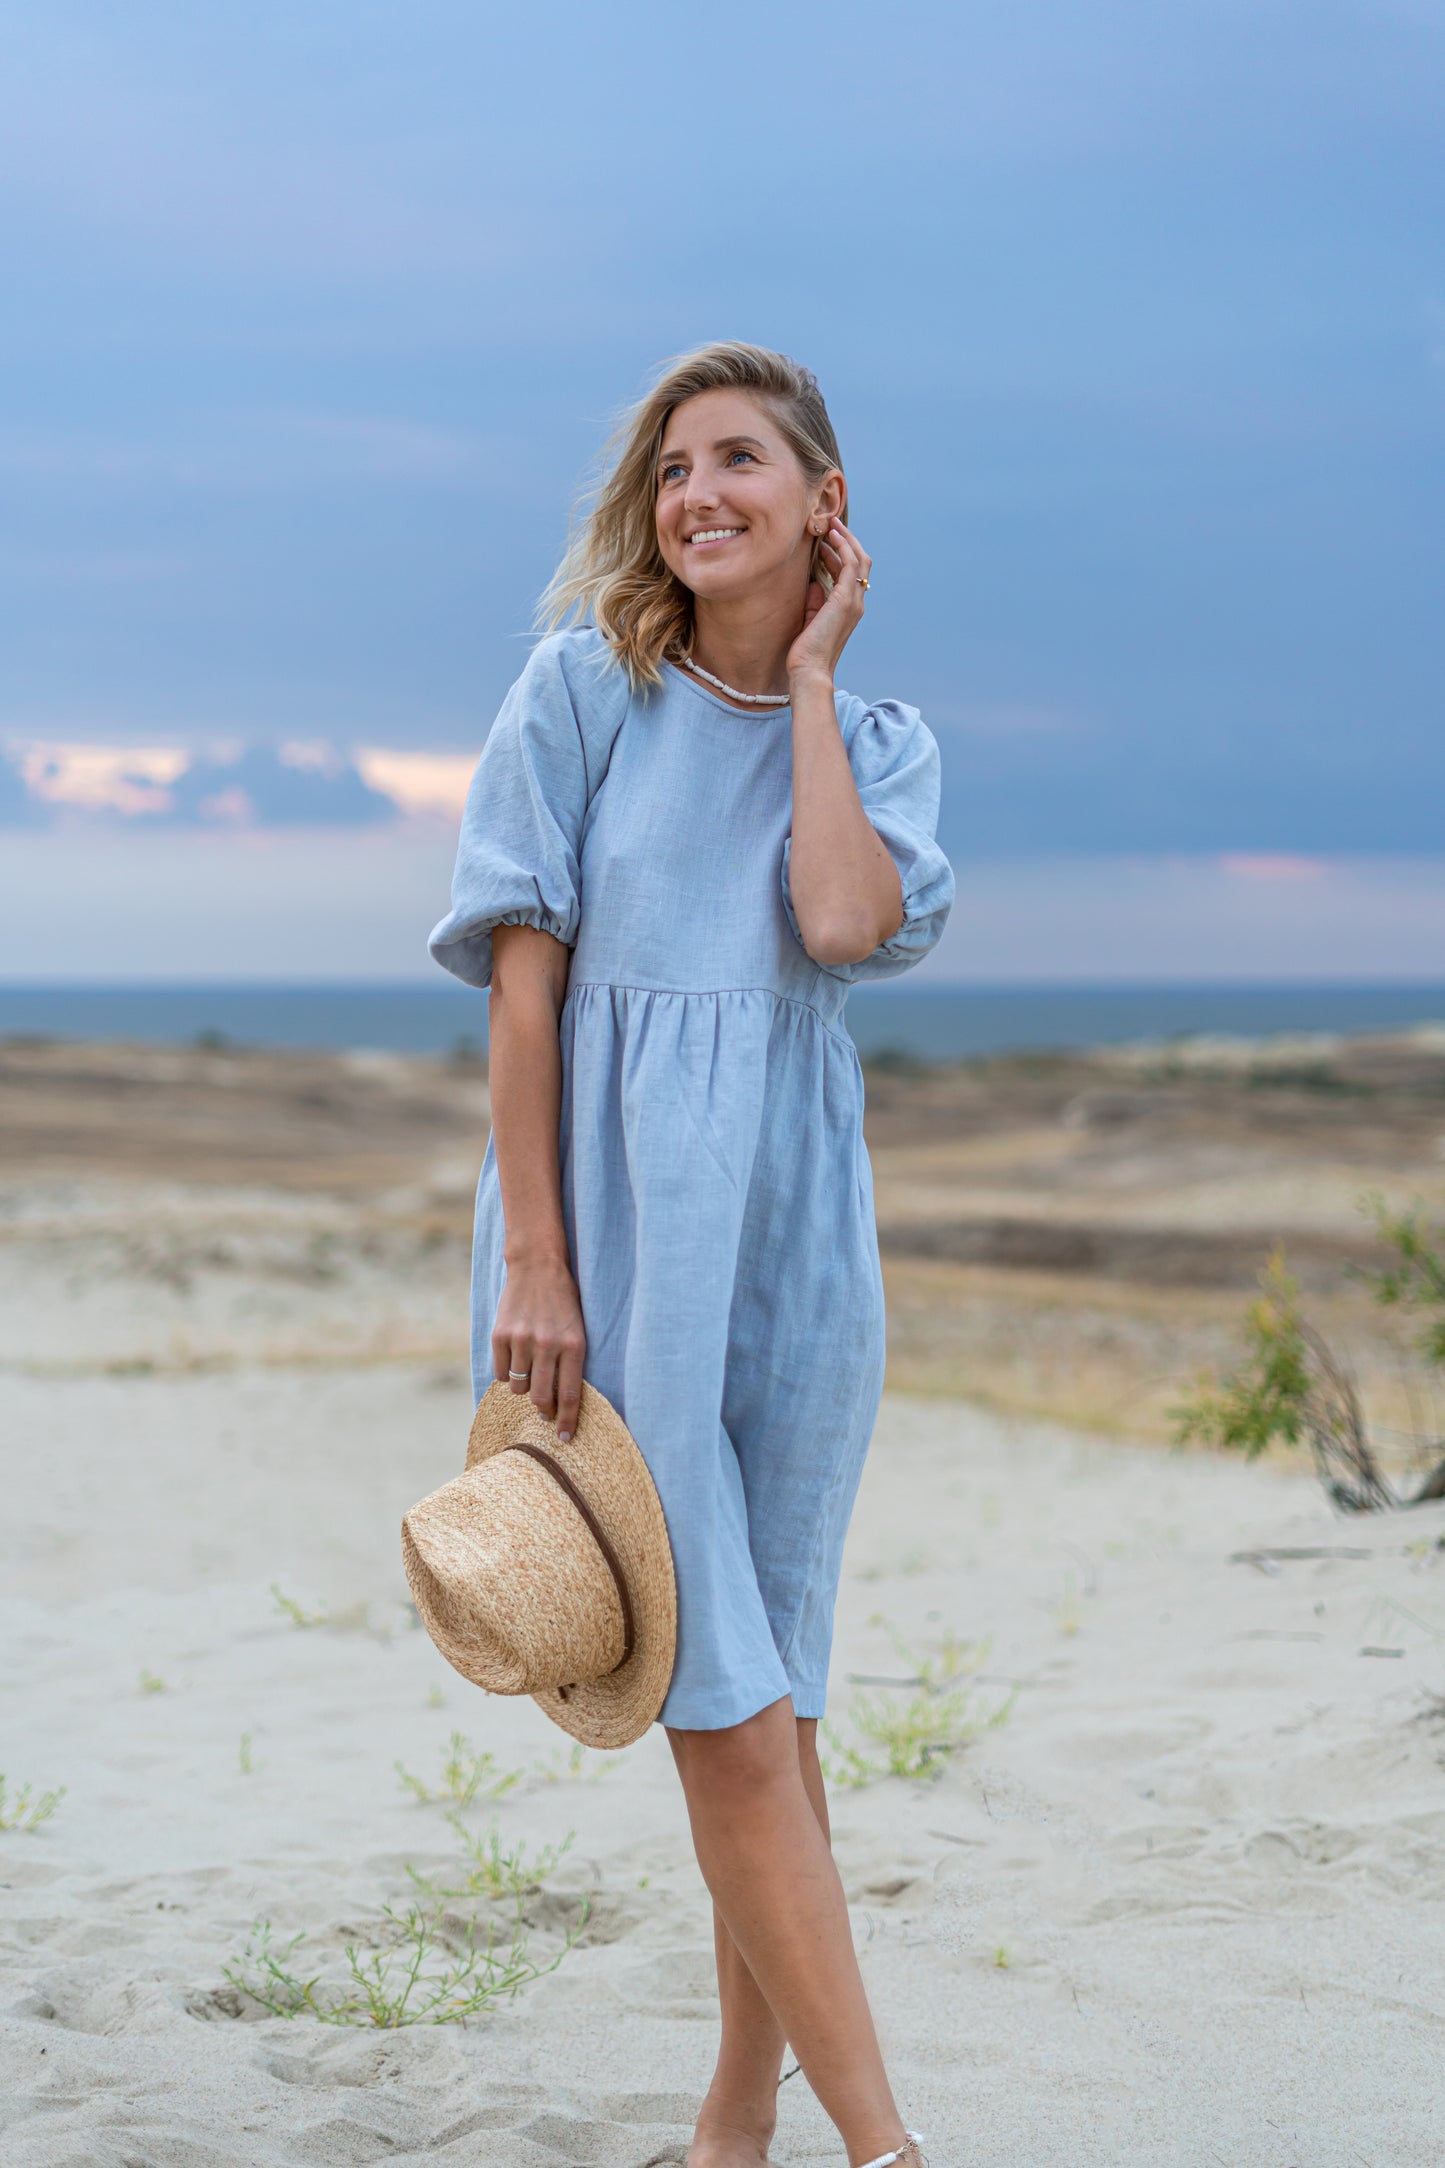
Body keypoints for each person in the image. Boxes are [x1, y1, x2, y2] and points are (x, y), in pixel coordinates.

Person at [429, 342, 953, 2168]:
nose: (693, 494)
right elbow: (521, 993)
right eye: (669, 469)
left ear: (823, 500)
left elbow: (833, 915)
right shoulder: (582, 690)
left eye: (738, 459)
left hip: (798, 1255)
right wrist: (540, 1265)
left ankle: (736, 2126)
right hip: (611, 1251)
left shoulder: (880, 750)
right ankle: (885, 2152)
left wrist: (808, 684)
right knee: (721, 1707)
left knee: (778, 1703)